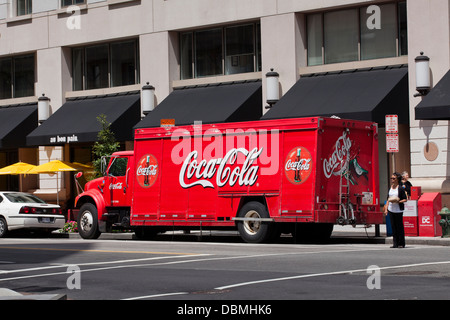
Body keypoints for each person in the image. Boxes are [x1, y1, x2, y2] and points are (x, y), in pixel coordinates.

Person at [384, 172, 408, 248]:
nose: (392, 180)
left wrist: (398, 201)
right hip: (391, 209)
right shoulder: (390, 188)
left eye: (393, 178)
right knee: (393, 227)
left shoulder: (400, 188)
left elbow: (405, 199)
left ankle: (401, 243)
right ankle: (395, 243)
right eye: (391, 178)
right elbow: (388, 199)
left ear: (397, 179)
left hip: (398, 210)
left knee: (399, 227)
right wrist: (386, 209)